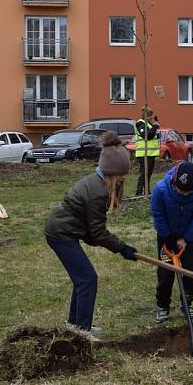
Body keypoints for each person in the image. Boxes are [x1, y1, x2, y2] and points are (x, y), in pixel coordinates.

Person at [45, 131, 137, 340]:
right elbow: (97, 232)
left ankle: (75, 324)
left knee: (82, 279)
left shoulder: (99, 182)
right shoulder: (98, 192)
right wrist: (122, 248)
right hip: (61, 234)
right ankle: (82, 331)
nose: (124, 179)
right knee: (87, 279)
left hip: (64, 231)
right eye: (122, 175)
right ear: (113, 173)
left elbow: (92, 232)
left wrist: (118, 247)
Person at [150, 160, 193, 323]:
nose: (183, 194)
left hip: (188, 238)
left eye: (187, 192)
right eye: (180, 191)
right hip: (166, 236)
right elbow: (158, 215)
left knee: (190, 272)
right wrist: (167, 238)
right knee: (165, 273)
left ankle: (187, 305)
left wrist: (186, 239)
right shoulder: (160, 190)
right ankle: (162, 306)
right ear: (174, 181)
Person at [134, 106, 161, 196]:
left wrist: (156, 130)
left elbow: (153, 136)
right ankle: (139, 193)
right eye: (150, 115)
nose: (151, 117)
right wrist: (154, 126)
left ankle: (147, 192)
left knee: (148, 174)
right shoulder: (140, 124)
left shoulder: (148, 124)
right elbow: (147, 136)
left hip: (150, 153)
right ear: (146, 115)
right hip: (143, 153)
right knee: (144, 174)